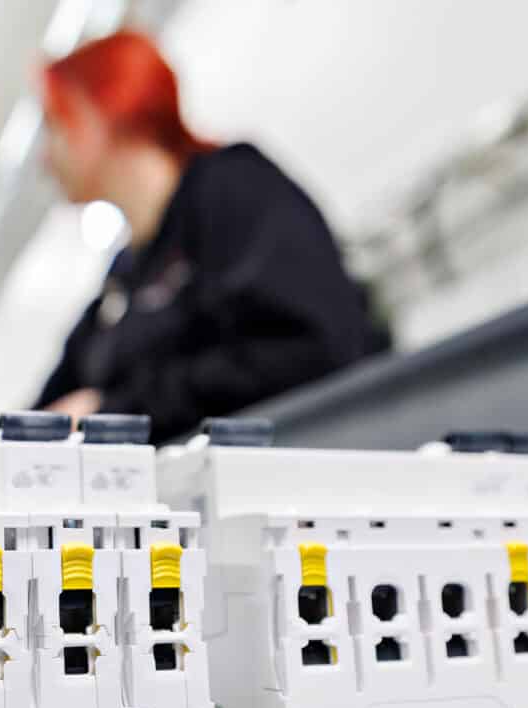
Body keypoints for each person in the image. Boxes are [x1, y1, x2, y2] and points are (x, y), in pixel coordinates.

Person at [34, 30, 389, 443]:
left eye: (54, 125)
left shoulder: (233, 191)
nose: (45, 156)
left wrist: (116, 411)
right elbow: (53, 403)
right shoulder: (126, 274)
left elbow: (311, 346)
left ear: (98, 117)